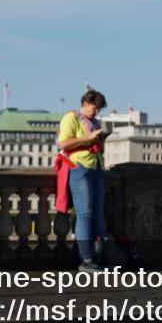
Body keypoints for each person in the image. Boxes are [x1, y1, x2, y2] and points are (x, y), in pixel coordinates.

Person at [57, 89, 108, 272]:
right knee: (84, 214)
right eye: (95, 108)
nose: (96, 113)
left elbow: (95, 147)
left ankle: (96, 257)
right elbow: (63, 143)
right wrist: (87, 138)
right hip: (80, 167)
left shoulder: (95, 122)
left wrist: (100, 142)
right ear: (85, 103)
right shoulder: (71, 118)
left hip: (97, 167)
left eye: (99, 109)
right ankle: (86, 260)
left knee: (98, 214)